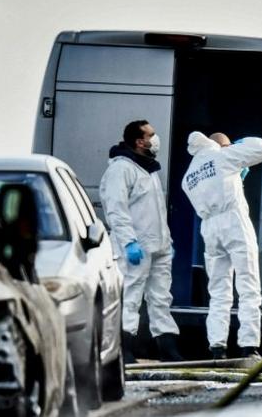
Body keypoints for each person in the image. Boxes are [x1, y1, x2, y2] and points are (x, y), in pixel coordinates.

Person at [181, 131, 262, 359]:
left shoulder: (189, 175)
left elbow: (213, 188)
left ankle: (217, 348)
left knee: (219, 292)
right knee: (249, 286)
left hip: (209, 228)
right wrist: (234, 147)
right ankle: (249, 346)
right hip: (233, 222)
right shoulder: (222, 156)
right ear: (221, 145)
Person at [99, 120, 183, 363]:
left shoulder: (148, 169)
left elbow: (154, 210)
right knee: (131, 295)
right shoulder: (121, 169)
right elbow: (116, 210)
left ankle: (167, 345)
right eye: (151, 134)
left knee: (161, 297)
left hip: (158, 246)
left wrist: (166, 241)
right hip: (134, 246)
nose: (155, 138)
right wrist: (128, 242)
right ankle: (123, 347)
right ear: (139, 141)